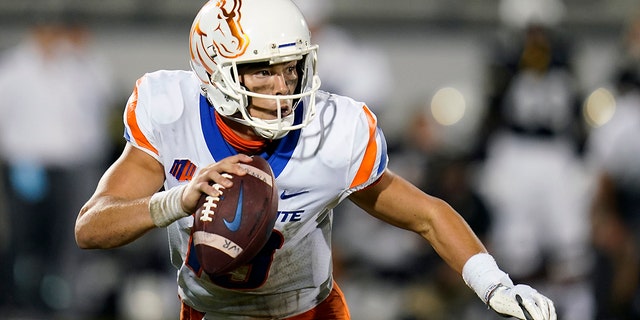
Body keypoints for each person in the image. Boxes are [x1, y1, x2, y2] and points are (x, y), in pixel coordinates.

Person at [74, 1, 556, 319]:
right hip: (207, 313)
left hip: (308, 313)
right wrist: (176, 201)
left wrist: (494, 285)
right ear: (213, 73)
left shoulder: (329, 132)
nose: (282, 87)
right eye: (260, 71)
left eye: (289, 68)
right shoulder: (171, 112)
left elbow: (427, 214)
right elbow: (90, 228)